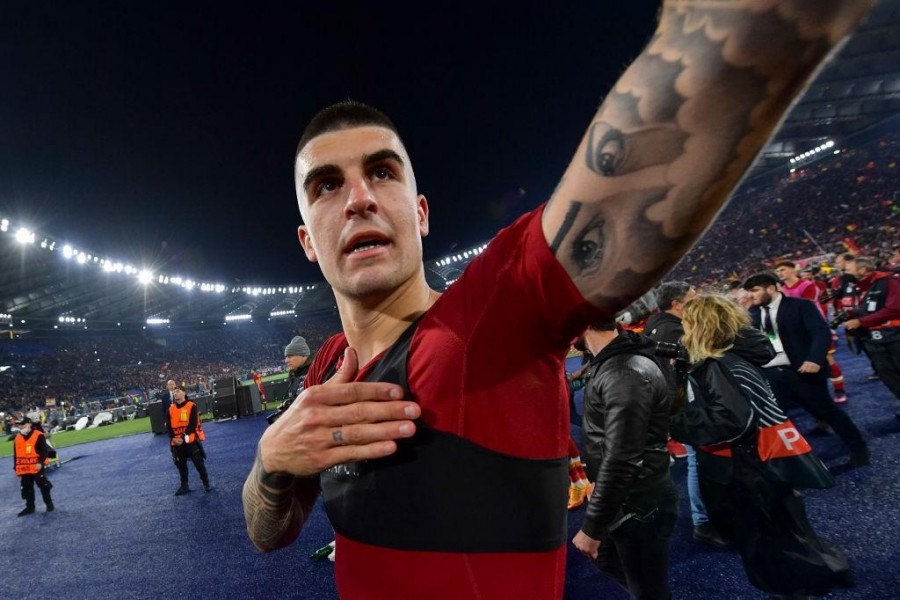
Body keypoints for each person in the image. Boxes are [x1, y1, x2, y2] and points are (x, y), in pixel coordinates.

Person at [241, 4, 875, 597]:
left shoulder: (490, 318)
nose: (358, 198)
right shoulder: (327, 368)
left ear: (421, 212)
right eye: (327, 185)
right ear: (306, 241)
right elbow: (269, 533)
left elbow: (711, 67)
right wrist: (269, 462)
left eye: (382, 172)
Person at [670, 294, 852, 598]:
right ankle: (826, 571)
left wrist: (671, 420)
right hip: (765, 458)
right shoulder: (737, 355)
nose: (683, 328)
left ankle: (798, 585)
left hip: (742, 467)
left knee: (763, 539)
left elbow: (730, 421)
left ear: (700, 326)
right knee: (788, 525)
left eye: (687, 322)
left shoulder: (715, 365)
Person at [572, 319, 677, 599]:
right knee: (608, 559)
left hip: (638, 503)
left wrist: (593, 526)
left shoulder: (624, 371)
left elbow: (622, 457)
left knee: (648, 591)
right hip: (630, 497)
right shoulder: (615, 362)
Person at [742, 272, 869, 467]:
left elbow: (820, 333)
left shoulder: (801, 306)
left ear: (771, 288)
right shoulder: (753, 314)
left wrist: (814, 359)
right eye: (749, 291)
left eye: (755, 290)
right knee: (779, 419)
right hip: (773, 374)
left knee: (828, 411)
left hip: (803, 370)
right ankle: (796, 464)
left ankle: (859, 449)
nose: (751, 295)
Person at [645, 281, 727, 549]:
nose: (698, 299)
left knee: (700, 459)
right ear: (677, 304)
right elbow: (690, 366)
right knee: (698, 461)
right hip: (687, 405)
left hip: (679, 404)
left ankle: (708, 517)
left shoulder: (656, 325)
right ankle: (703, 521)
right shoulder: (672, 329)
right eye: (693, 297)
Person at [777, 260, 848, 403]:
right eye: (777, 271)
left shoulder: (808, 286)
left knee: (828, 359)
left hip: (814, 329)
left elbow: (804, 308)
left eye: (782, 270)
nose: (779, 273)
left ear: (793, 270)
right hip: (796, 332)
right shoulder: (781, 290)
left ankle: (839, 390)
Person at [842, 256, 900, 413]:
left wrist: (861, 322)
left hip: (895, 335)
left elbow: (894, 308)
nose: (844, 273)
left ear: (862, 270)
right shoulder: (856, 287)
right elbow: (864, 307)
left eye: (848, 270)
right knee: (886, 374)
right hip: (870, 339)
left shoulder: (889, 281)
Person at [167, 388, 211, 495]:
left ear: (184, 393)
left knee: (198, 463)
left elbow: (192, 424)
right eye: (174, 392)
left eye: (177, 391)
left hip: (189, 440)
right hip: (176, 443)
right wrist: (173, 438)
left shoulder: (191, 405)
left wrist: (181, 437)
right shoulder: (171, 408)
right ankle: (184, 486)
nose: (175, 393)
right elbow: (168, 425)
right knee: (181, 465)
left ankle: (206, 483)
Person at [13, 417, 54, 515]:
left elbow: (43, 451)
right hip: (24, 467)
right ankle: (30, 507)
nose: (20, 426)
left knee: (42, 484)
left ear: (29, 424)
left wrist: (40, 462)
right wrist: (15, 467)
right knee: (26, 487)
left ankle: (49, 504)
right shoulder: (17, 437)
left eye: (22, 424)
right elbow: (16, 454)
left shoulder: (38, 435)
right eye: (19, 425)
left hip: (37, 465)